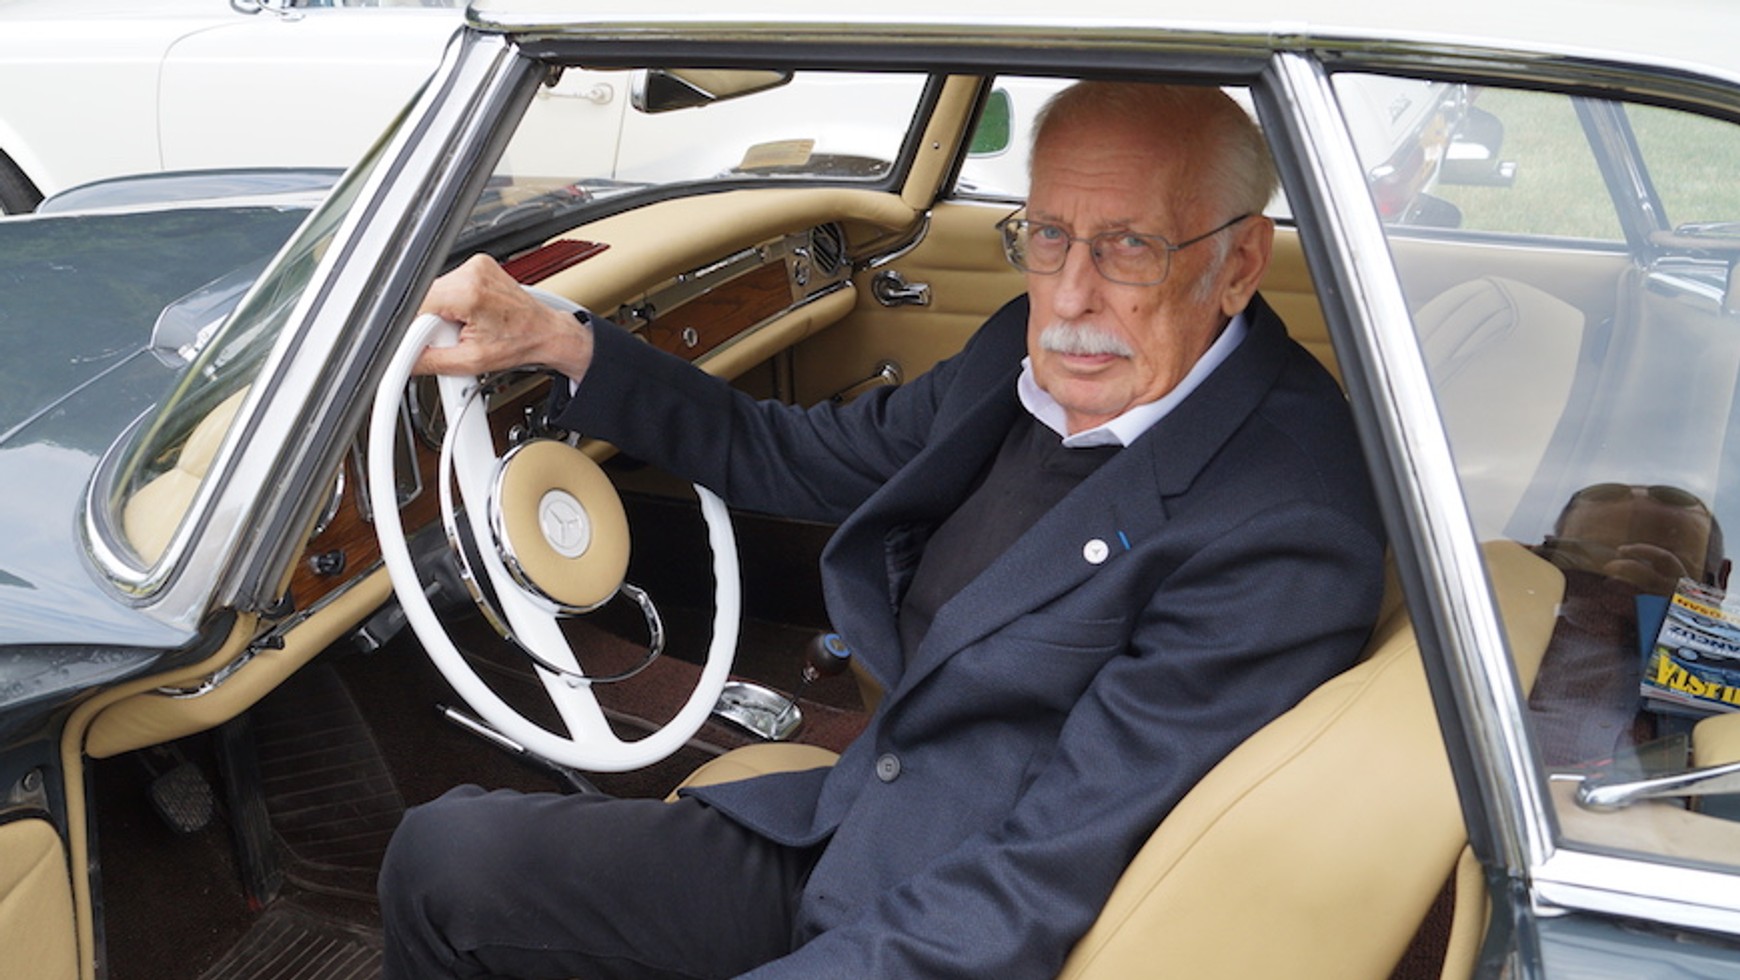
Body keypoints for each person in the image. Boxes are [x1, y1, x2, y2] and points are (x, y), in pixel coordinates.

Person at [379, 81, 1386, 979]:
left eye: (1130, 246)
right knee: (442, 859)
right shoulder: (1023, 357)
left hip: (960, 916)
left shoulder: (1282, 522)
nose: (1072, 296)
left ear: (1238, 262)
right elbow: (796, 456)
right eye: (1048, 235)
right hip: (857, 822)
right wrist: (564, 343)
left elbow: (1041, 874)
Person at [1528, 483, 1728, 767]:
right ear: (1551, 559)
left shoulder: (1729, 673)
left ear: (1719, 579)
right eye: (1597, 556)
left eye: (1657, 563)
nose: (1625, 576)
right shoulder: (1499, 644)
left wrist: (1677, 616)